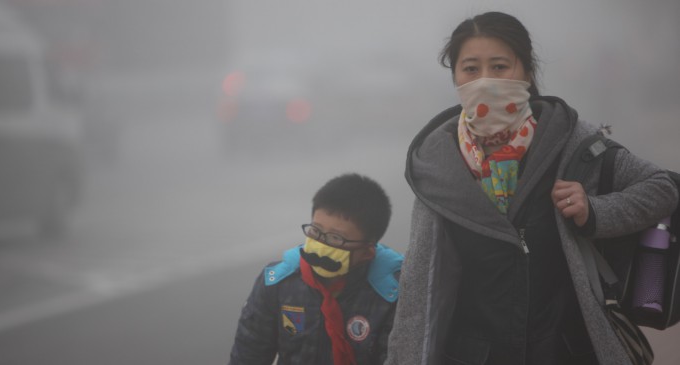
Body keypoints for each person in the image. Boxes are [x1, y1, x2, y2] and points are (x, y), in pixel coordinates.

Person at [385, 11, 679, 365]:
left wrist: (595, 212)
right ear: (455, 77)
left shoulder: (573, 143)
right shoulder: (438, 165)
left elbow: (663, 187)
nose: (485, 81)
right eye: (471, 69)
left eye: (499, 67)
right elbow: (419, 290)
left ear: (526, 70)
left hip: (567, 349)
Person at [229, 173, 403, 365]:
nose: (320, 245)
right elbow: (248, 356)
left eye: (336, 238)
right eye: (316, 231)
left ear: (367, 252)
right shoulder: (278, 282)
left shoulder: (394, 294)